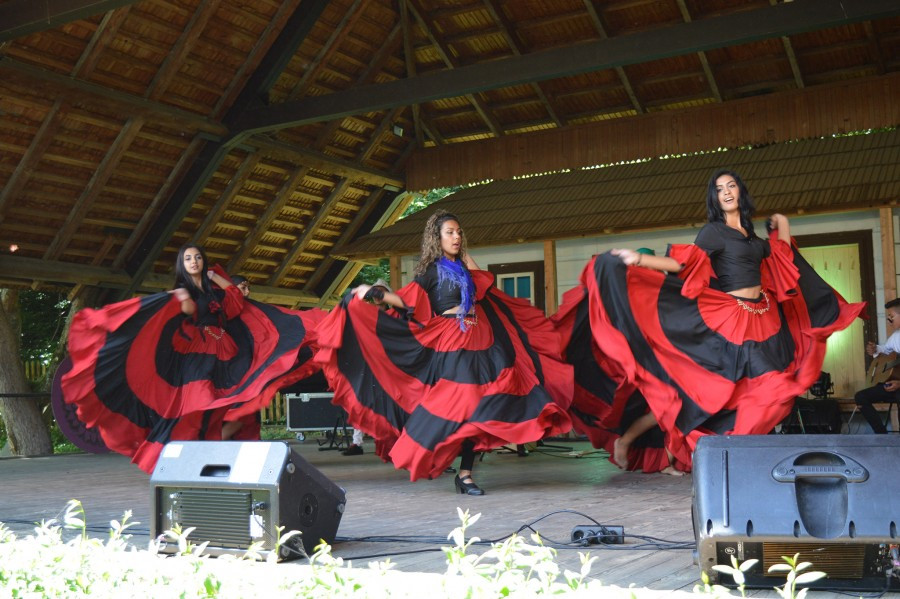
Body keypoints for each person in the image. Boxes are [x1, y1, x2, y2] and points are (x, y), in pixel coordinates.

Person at [558, 169, 865, 472]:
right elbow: (681, 263)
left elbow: (783, 255)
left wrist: (783, 223)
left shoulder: (755, 239)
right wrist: (638, 259)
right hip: (727, 321)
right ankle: (629, 440)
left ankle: (732, 454)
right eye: (720, 189)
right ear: (715, 198)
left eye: (731, 186)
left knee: (777, 393)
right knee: (693, 395)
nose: (727, 192)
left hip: (762, 320)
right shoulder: (713, 232)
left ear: (741, 192)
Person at [315, 210, 573, 493]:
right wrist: (373, 291)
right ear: (436, 238)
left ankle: (465, 474)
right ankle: (418, 448)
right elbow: (405, 301)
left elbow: (483, 283)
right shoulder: (431, 271)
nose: (456, 236)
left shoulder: (463, 268)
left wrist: (463, 254)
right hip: (452, 342)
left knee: (482, 407)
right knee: (460, 403)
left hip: (481, 341)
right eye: (449, 232)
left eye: (459, 232)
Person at [62, 244, 321, 472]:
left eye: (197, 257)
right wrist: (178, 300)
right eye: (188, 258)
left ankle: (210, 455)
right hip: (199, 354)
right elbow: (182, 314)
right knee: (199, 405)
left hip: (227, 353)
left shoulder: (214, 291)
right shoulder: (183, 291)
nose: (194, 261)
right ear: (182, 265)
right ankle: (176, 455)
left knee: (228, 405)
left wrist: (217, 277)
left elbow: (236, 301)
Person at [553, 248, 685, 476]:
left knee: (674, 405)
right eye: (643, 268)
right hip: (635, 364)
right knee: (666, 406)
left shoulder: (656, 290)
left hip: (660, 359)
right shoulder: (622, 295)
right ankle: (628, 443)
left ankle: (662, 460)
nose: (648, 271)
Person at [341, 278, 393, 457]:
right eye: (375, 291)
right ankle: (357, 442)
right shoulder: (365, 312)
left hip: (388, 365)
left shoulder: (395, 314)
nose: (378, 295)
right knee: (359, 401)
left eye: (381, 291)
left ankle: (391, 442)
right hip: (367, 363)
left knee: (389, 404)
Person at [854, 298, 900, 433]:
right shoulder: (895, 336)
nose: (889, 320)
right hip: (894, 386)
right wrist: (876, 349)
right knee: (861, 397)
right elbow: (886, 351)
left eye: (891, 317)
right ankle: (882, 435)